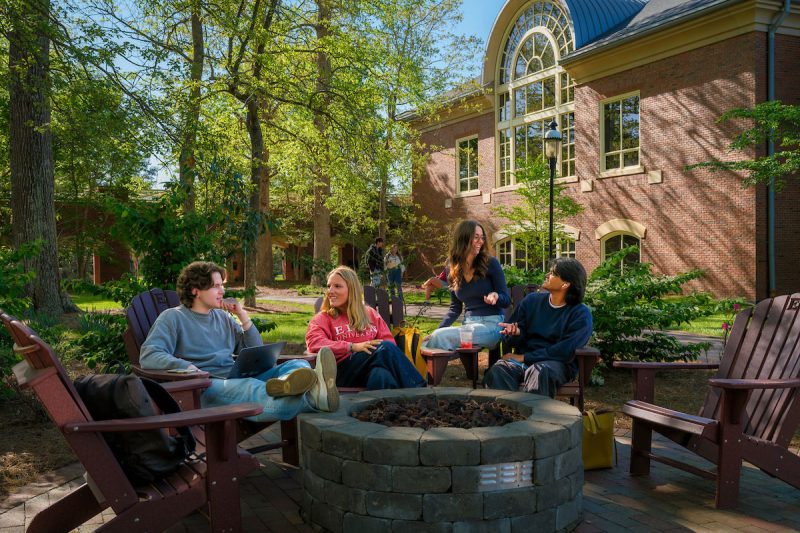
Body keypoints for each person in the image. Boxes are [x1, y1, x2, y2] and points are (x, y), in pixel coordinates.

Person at [140, 261, 339, 422]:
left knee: (298, 364)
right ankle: (313, 395)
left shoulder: (223, 318)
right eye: (216, 286)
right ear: (195, 290)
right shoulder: (173, 318)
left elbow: (254, 350)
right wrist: (188, 367)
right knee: (251, 387)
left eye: (222, 286)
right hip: (209, 386)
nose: (222, 291)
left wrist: (242, 316)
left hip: (236, 376)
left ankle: (292, 386)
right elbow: (149, 354)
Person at [483, 258, 593, 398]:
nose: (547, 275)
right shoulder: (531, 301)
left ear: (565, 284)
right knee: (499, 370)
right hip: (521, 363)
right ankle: (505, 416)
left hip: (555, 365)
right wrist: (515, 333)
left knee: (539, 372)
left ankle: (535, 418)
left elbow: (564, 351)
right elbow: (510, 338)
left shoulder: (580, 314)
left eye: (553, 273)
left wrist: (524, 357)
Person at [305, 266, 427, 390]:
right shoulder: (322, 319)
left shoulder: (370, 314)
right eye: (329, 286)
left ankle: (384, 408)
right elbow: (315, 343)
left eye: (337, 286)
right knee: (384, 348)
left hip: (369, 369)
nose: (330, 291)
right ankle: (420, 390)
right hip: (340, 372)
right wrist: (352, 347)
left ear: (351, 289)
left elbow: (389, 341)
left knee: (381, 375)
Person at [421, 220, 510, 351]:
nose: (481, 241)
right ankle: (428, 371)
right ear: (463, 239)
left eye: (482, 237)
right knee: (432, 340)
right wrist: (437, 330)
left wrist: (496, 296)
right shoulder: (452, 269)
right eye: (476, 237)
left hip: (492, 325)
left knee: (439, 339)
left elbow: (506, 300)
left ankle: (424, 372)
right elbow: (455, 308)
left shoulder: (491, 263)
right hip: (468, 326)